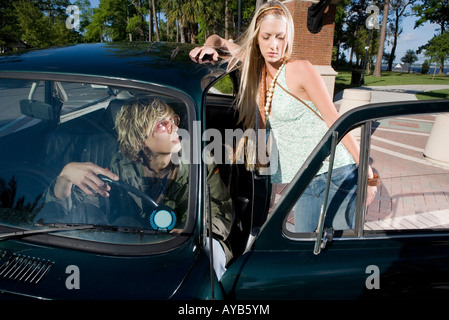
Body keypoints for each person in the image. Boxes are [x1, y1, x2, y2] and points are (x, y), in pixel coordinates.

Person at [189, 1, 378, 232]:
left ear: (288, 37)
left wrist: (368, 175)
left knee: (339, 251)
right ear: (257, 36)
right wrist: (208, 47)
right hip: (304, 179)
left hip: (336, 173)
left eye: (280, 37)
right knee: (302, 249)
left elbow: (335, 119)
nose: (273, 45)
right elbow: (218, 40)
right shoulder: (254, 69)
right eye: (267, 36)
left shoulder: (299, 69)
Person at [38, 97, 233, 278]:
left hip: (185, 246)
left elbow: (221, 213)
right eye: (162, 124)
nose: (175, 127)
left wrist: (192, 230)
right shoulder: (119, 166)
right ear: (140, 139)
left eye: (173, 119)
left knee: (211, 249)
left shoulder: (200, 160)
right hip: (135, 249)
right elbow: (72, 212)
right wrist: (64, 178)